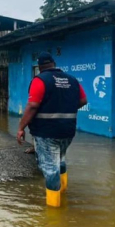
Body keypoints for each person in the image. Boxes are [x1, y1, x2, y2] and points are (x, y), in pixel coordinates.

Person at [17, 52, 87, 208]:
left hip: (46, 132)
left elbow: (32, 105)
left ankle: (54, 209)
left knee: (50, 168)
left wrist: (21, 127)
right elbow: (83, 100)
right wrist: (65, 108)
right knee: (60, 160)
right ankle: (63, 192)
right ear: (54, 64)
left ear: (40, 67)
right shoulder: (72, 79)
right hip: (68, 131)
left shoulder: (40, 80)